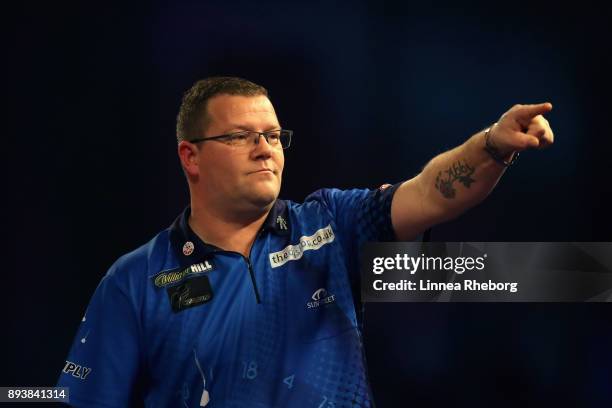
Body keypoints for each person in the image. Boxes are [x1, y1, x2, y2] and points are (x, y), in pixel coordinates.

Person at [57, 76, 554, 407]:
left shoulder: (331, 223)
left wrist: (490, 145)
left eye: (273, 136)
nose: (264, 149)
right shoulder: (134, 281)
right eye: (240, 136)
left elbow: (428, 194)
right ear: (191, 157)